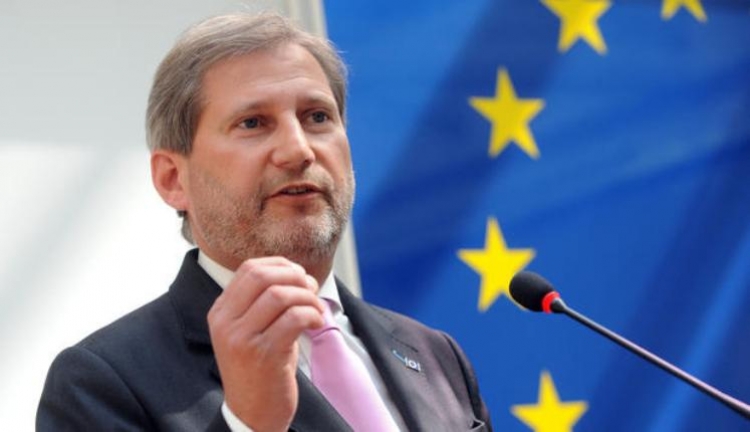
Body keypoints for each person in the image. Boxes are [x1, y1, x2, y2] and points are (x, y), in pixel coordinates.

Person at [37, 12, 492, 432]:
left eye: (317, 117)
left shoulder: (437, 356)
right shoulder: (101, 382)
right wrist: (250, 423)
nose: (298, 150)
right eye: (253, 123)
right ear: (173, 179)